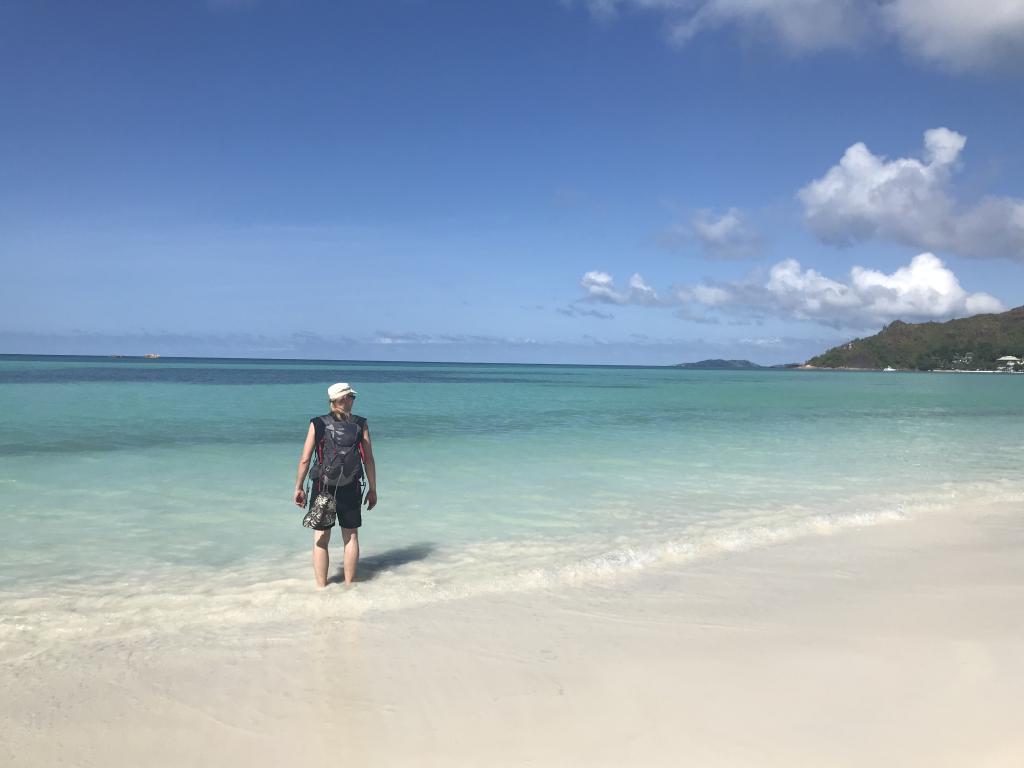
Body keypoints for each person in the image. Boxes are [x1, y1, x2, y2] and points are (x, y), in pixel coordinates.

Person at [294, 382, 377, 588]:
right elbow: (368, 459)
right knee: (350, 537)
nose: (353, 401)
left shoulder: (317, 423)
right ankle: (349, 586)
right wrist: (373, 489)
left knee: (321, 538)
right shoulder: (360, 423)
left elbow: (305, 459)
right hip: (351, 487)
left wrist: (299, 486)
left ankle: (322, 588)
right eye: (352, 397)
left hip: (322, 487)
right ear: (345, 399)